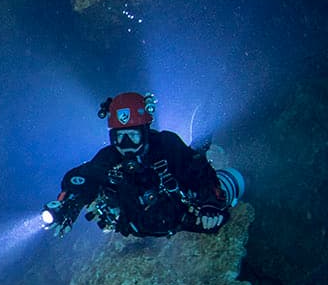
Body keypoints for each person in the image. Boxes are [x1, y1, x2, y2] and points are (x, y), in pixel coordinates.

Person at [44, 92, 232, 238]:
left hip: (180, 218)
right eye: (120, 137)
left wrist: (211, 204)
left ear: (145, 132)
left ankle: (203, 141)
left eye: (132, 136)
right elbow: (83, 177)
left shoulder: (166, 145)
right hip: (137, 224)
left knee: (218, 218)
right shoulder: (109, 157)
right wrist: (69, 203)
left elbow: (200, 172)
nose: (126, 146)